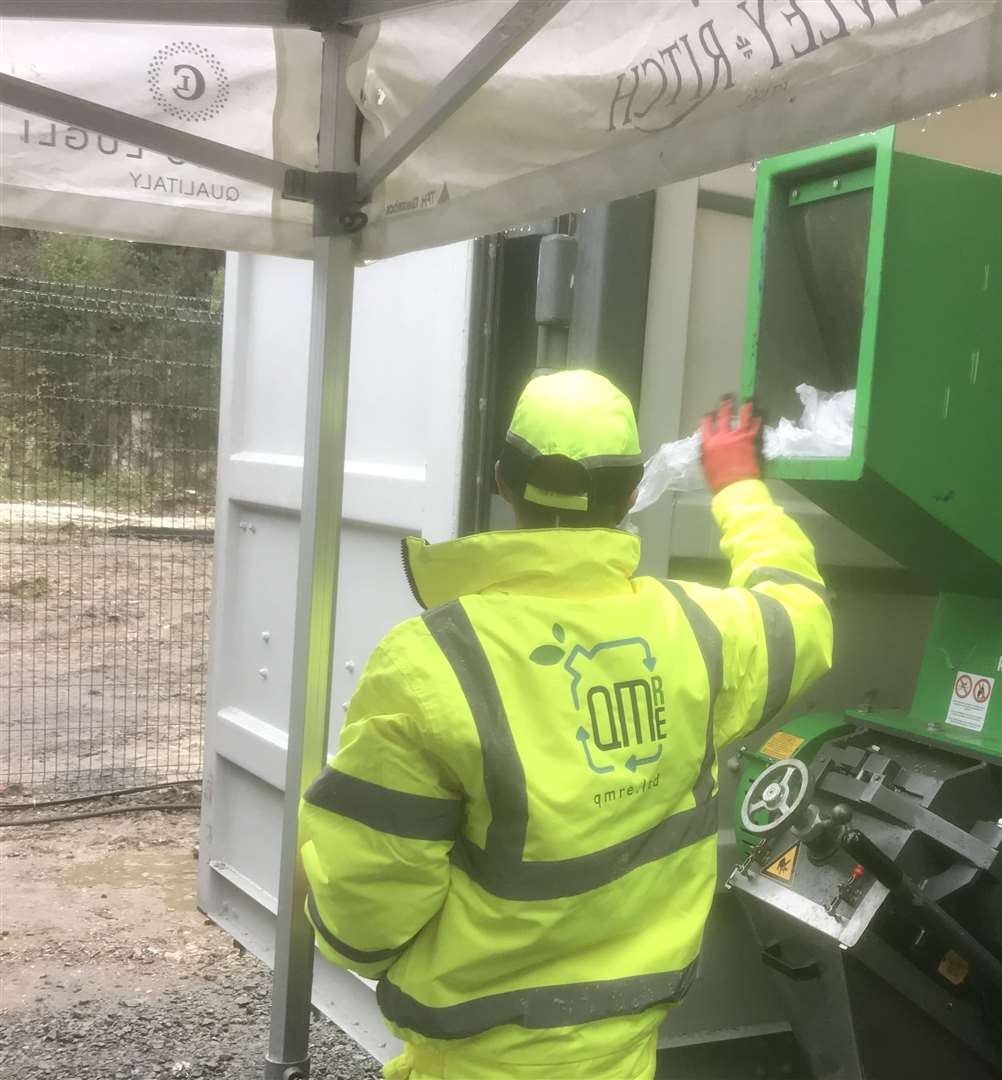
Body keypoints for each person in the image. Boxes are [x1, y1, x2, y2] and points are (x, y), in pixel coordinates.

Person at [297, 369, 833, 1080]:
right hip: (622, 1055)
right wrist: (737, 483)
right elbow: (803, 614)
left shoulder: (431, 665)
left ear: (501, 482)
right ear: (634, 493)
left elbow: (364, 920)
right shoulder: (701, 635)